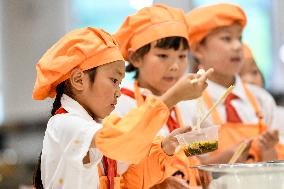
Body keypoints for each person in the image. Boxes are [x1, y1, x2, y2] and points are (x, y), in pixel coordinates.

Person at [32, 27, 212, 189]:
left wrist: (165, 148)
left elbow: (131, 181)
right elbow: (121, 140)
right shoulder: (64, 124)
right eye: (113, 81)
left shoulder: (96, 126)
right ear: (79, 80)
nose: (118, 93)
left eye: (119, 83)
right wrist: (172, 97)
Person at [113, 4, 213, 188]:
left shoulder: (190, 106)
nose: (175, 66)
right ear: (135, 58)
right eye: (163, 55)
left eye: (182, 56)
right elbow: (118, 169)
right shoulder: (122, 105)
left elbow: (203, 161)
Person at [184, 3, 280, 165]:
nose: (237, 46)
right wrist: (228, 157)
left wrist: (268, 149)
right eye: (226, 38)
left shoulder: (262, 100)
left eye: (239, 38)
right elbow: (193, 168)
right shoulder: (191, 104)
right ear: (199, 50)